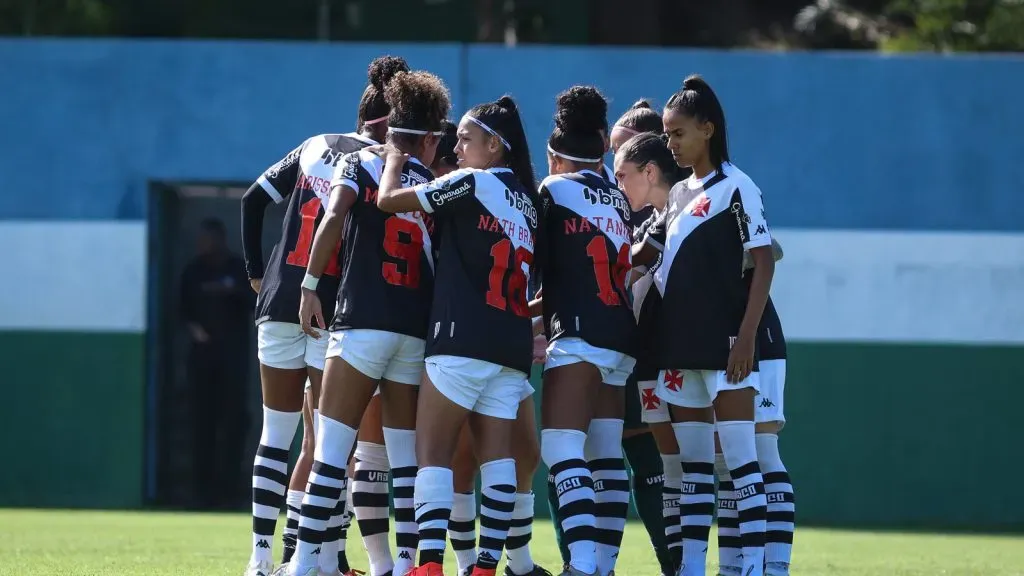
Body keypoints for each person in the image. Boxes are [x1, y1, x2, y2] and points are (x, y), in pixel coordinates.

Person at [240, 55, 408, 576]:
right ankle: (318, 557)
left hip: (277, 298)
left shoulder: (314, 144)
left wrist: (255, 273)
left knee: (276, 435)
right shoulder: (378, 163)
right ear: (390, 123)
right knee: (325, 442)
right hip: (327, 306)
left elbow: (252, 200)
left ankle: (262, 558)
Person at [287, 69, 450, 576]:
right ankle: (403, 565)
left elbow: (333, 218)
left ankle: (304, 565)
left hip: (361, 322)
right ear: (428, 137)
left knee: (331, 452)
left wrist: (310, 284)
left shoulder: (359, 162)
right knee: (406, 461)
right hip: (412, 330)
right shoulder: (432, 185)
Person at [374, 93, 539, 576]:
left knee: (433, 457)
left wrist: (392, 159)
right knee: (498, 463)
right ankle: (486, 565)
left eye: (466, 139)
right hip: (510, 345)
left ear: (494, 146)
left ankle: (428, 566)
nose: (457, 147)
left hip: (461, 342)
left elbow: (388, 201)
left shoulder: (471, 182)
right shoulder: (527, 203)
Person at [634, 74, 774, 576]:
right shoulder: (676, 195)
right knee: (692, 470)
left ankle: (753, 567)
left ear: (708, 129)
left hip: (726, 347)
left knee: (740, 465)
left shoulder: (738, 186)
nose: (670, 142)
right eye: (667, 135)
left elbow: (764, 263)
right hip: (679, 349)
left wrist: (748, 338)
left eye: (679, 134)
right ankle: (693, 566)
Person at [537, 86, 635, 576]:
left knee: (560, 447)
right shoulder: (617, 199)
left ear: (554, 155)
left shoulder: (552, 190)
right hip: (621, 333)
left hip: (579, 332)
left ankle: (581, 564)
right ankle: (604, 565)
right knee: (605, 455)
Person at [612, 127, 690, 576]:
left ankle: (749, 563)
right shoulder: (657, 218)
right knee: (679, 471)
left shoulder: (694, 206)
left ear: (650, 169)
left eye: (622, 174)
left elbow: (763, 255)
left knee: (725, 461)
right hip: (659, 359)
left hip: (703, 356)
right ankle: (683, 565)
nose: (617, 185)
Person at [179, 217, 253, 510]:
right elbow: (182, 311)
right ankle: (201, 492)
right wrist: (197, 332)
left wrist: (232, 290)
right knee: (202, 425)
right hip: (201, 361)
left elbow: (253, 303)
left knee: (234, 423)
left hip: (233, 359)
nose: (204, 244)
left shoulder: (237, 269)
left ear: (220, 239)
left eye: (209, 238)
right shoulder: (193, 272)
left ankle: (229, 491)